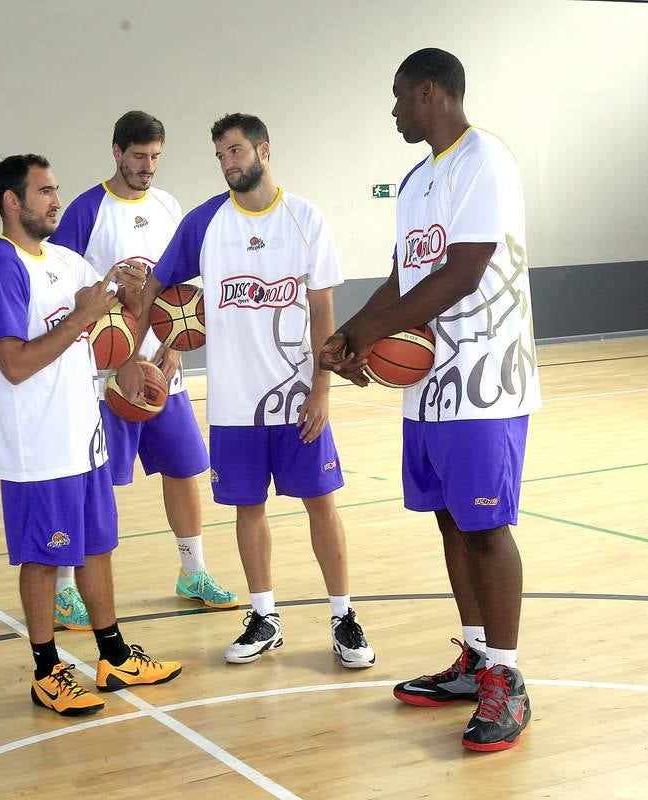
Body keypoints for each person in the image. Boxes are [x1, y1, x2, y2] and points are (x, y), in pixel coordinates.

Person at [321, 49, 541, 751]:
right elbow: (404, 275)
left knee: (483, 526)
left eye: (396, 97)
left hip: (485, 380)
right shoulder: (417, 180)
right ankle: (477, 657)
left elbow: (466, 270)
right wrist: (351, 335)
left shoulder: (486, 161)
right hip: (430, 387)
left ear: (426, 92)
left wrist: (374, 330)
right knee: (450, 522)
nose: (391, 111)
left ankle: (508, 678)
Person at [133, 113, 375, 668]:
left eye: (236, 151)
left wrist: (322, 391)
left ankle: (344, 616)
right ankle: (265, 615)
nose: (228, 163)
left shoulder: (305, 218)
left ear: (264, 149)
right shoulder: (204, 224)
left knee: (321, 505)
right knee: (247, 508)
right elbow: (155, 285)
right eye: (220, 155)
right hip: (235, 403)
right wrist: (135, 352)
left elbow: (323, 315)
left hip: (297, 399)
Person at [0, 154, 182, 715]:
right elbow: (14, 363)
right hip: (35, 446)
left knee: (96, 546)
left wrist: (135, 302)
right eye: (44, 191)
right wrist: (79, 320)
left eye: (57, 189)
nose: (56, 200)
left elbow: (112, 334)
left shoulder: (66, 261)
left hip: (83, 435)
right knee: (44, 558)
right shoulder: (0, 267)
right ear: (12, 202)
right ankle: (47, 670)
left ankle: (113, 656)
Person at [50, 111, 238, 630]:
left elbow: (174, 286)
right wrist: (126, 358)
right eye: (139, 157)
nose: (148, 166)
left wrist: (175, 343)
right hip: (105, 376)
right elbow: (71, 293)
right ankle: (67, 589)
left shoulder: (168, 205)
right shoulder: (87, 211)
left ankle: (192, 573)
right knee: (93, 484)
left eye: (155, 157)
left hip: (163, 370)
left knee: (183, 470)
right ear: (116, 152)